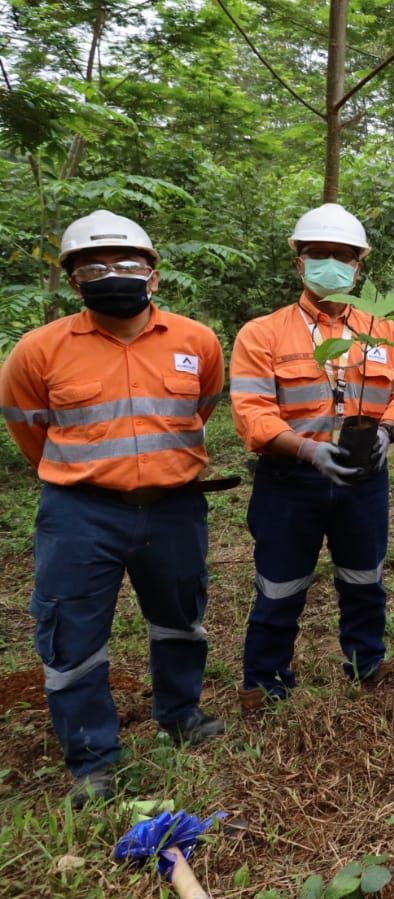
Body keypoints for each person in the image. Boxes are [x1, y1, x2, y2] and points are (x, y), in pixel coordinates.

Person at [0, 210, 226, 806]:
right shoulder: (38, 350)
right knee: (72, 634)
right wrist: (88, 472)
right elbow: (29, 428)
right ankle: (92, 759)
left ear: (153, 274)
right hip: (79, 511)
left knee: (180, 616)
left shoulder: (196, 340)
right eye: (93, 266)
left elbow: (202, 405)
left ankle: (181, 715)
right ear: (74, 280)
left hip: (174, 506)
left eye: (128, 264)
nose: (112, 275)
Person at [230, 203, 394, 709]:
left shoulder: (385, 332)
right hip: (289, 481)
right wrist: (309, 449)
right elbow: (251, 413)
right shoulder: (262, 334)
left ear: (359, 266)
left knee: (365, 579)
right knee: (279, 585)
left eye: (344, 256)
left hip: (363, 480)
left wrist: (387, 432)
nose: (331, 264)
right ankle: (265, 681)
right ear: (299, 262)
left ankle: (366, 662)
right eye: (319, 254)